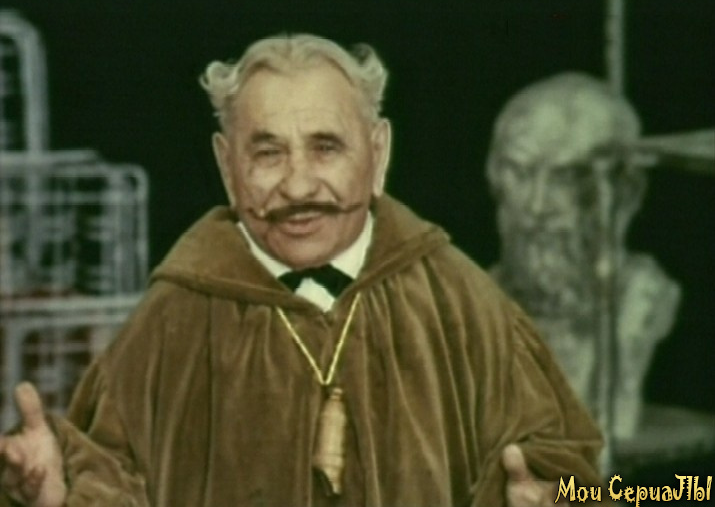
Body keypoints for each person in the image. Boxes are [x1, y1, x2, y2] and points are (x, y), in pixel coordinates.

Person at [1, 35, 603, 506]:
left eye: (325, 147)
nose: (298, 185)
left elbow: (589, 482)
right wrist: (55, 494)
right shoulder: (170, 321)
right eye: (267, 153)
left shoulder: (462, 303)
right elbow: (108, 477)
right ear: (227, 167)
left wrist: (561, 497)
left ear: (378, 153)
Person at [486, 72, 680, 439]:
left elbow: (611, 432)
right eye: (519, 172)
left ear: (627, 193)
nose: (536, 206)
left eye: (565, 178)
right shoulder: (464, 307)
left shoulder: (638, 307)